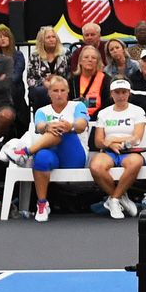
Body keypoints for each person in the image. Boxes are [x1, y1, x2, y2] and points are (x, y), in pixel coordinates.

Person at [24, 74, 89, 221]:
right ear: (49, 93)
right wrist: (48, 126)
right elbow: (39, 127)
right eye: (55, 91)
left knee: (62, 130)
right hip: (52, 154)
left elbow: (81, 125)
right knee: (41, 158)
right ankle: (41, 203)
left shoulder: (78, 106)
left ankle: (26, 152)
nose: (59, 94)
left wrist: (69, 126)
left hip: (74, 156)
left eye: (62, 90)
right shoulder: (42, 111)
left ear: (67, 92)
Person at [90, 80, 146, 218]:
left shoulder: (137, 111)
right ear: (111, 94)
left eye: (124, 92)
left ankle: (114, 199)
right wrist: (109, 144)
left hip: (130, 151)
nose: (121, 96)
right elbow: (98, 142)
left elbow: (137, 138)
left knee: (135, 163)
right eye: (117, 92)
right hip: (109, 151)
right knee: (96, 166)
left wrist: (113, 140)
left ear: (129, 93)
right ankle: (121, 198)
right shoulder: (104, 113)